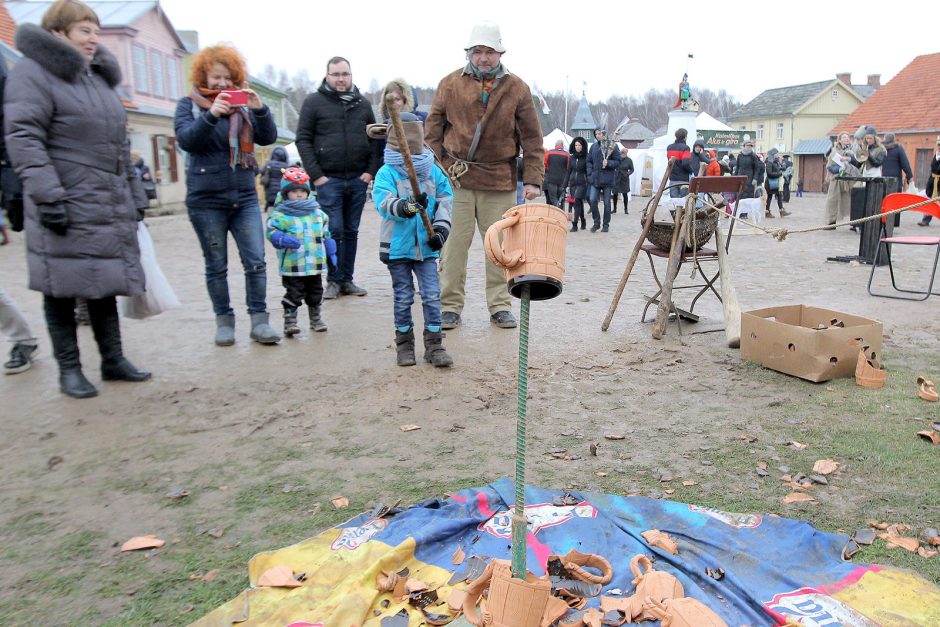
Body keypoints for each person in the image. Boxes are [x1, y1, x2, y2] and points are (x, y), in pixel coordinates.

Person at [5, 0, 151, 398]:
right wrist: (48, 195)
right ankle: (69, 369)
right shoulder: (32, 74)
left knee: (104, 281)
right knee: (61, 285)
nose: (93, 39)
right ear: (57, 33)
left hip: (104, 198)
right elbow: (23, 137)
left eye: (95, 30)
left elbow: (120, 146)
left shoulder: (97, 79)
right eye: (83, 30)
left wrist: (135, 193)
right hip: (62, 197)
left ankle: (113, 360)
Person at [425, 21, 544, 330]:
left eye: (489, 51)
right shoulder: (449, 84)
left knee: (500, 249)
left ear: (500, 52)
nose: (483, 58)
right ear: (469, 53)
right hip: (456, 180)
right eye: (477, 51)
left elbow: (532, 138)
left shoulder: (517, 87)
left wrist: (532, 179)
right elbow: (432, 132)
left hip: (500, 180)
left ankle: (500, 305)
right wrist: (439, 171)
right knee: (452, 248)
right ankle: (449, 306)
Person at [174, 44, 280, 346]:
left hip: (245, 196)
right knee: (216, 265)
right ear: (203, 75)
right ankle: (224, 322)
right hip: (206, 201)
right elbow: (187, 140)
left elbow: (267, 138)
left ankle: (259, 321)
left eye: (227, 78)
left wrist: (260, 110)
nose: (222, 84)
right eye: (216, 77)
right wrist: (210, 116)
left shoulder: (243, 107)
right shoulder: (189, 106)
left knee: (256, 261)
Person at [373, 112, 454, 367]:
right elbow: (383, 203)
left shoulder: (433, 172)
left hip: (427, 248)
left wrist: (440, 230)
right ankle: (404, 345)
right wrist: (407, 206)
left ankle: (435, 345)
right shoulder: (386, 172)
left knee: (431, 295)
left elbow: (445, 200)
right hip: (398, 249)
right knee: (403, 296)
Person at [295, 56, 377, 300]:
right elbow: (303, 139)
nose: (341, 79)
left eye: (345, 74)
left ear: (351, 75)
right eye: (336, 75)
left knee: (351, 230)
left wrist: (369, 172)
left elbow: (375, 138)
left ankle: (347, 279)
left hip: (357, 179)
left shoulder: (362, 104)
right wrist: (316, 176)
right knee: (333, 230)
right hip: (328, 180)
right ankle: (333, 280)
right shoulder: (313, 103)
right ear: (327, 76)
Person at [265, 167, 334, 336]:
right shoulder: (280, 215)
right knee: (294, 293)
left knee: (316, 292)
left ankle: (315, 319)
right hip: (293, 264)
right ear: (286, 193)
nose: (298, 194)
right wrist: (279, 238)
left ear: (308, 192)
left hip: (315, 263)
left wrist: (331, 247)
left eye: (302, 191)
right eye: (294, 191)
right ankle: (290, 322)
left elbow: (325, 232)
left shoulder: (318, 214)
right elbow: (271, 230)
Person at [587, 128, 621, 232]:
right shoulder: (593, 147)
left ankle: (606, 224)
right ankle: (596, 222)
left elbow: (618, 161)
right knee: (592, 200)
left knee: (607, 203)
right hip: (595, 179)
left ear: (604, 134)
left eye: (599, 133)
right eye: (596, 134)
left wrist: (609, 163)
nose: (597, 135)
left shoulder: (612, 146)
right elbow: (589, 161)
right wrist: (590, 174)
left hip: (607, 180)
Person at [824, 132, 855, 226]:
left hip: (849, 179)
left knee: (852, 202)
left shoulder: (852, 151)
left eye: (848, 137)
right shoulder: (834, 152)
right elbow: (829, 166)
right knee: (832, 200)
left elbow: (856, 163)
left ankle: (855, 223)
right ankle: (831, 222)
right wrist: (839, 169)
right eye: (844, 137)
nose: (846, 139)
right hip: (836, 179)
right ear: (840, 140)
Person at [562, 137, 589, 232]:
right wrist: (564, 185)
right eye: (576, 145)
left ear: (583, 146)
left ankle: (575, 224)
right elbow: (568, 171)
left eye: (579, 145)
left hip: (583, 183)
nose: (577, 147)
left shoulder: (587, 157)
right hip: (573, 183)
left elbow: (588, 171)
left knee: (577, 200)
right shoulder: (572, 157)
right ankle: (583, 220)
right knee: (578, 203)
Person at [259, 145, 290, 211]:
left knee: (270, 204)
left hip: (270, 188)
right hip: (281, 188)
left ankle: (270, 217)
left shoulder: (269, 164)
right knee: (280, 204)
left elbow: (261, 171)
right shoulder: (285, 166)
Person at [918, 136, 940, 227]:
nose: (939, 147)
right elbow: (933, 170)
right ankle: (926, 219)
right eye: (938, 145)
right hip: (934, 180)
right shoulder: (937, 155)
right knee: (930, 200)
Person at [763, 149, 790, 217]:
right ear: (773, 154)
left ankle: (781, 211)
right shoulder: (769, 162)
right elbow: (769, 173)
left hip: (775, 181)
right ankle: (767, 212)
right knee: (769, 197)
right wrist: (779, 174)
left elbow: (781, 169)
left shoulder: (776, 162)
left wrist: (782, 163)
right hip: (770, 182)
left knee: (779, 195)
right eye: (776, 153)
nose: (778, 155)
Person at [666, 128, 692, 197]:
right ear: (685, 137)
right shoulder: (686, 148)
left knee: (674, 202)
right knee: (683, 202)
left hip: (673, 178)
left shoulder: (669, 148)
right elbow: (685, 163)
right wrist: (691, 171)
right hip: (683, 179)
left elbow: (670, 163)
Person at [543, 140, 569, 209]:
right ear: (562, 146)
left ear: (555, 145)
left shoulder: (549, 153)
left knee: (553, 198)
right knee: (560, 198)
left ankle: (557, 206)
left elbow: (544, 164)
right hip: (562, 180)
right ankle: (561, 211)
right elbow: (568, 167)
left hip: (551, 179)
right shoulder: (566, 154)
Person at [613, 147, 634, 214]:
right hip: (617, 178)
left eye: (624, 153)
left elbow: (632, 169)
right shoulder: (617, 159)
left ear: (626, 153)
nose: (622, 154)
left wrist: (628, 173)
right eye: (621, 153)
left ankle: (626, 208)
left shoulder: (629, 160)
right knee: (615, 193)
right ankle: (614, 208)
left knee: (625, 194)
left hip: (624, 178)